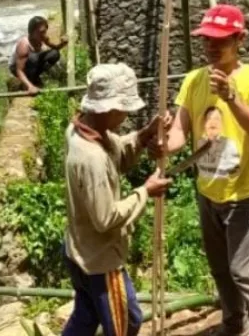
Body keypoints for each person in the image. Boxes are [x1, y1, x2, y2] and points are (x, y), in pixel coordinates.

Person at [157, 3, 249, 336]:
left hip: (245, 196)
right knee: (221, 271)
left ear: (241, 39)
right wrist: (163, 143)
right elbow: (181, 131)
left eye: (220, 40)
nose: (211, 46)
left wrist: (232, 97)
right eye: (206, 39)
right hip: (208, 193)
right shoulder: (194, 80)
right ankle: (233, 326)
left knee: (246, 273)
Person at [62, 63, 172, 336]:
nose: (125, 115)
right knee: (127, 321)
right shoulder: (92, 158)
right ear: (109, 109)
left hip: (78, 250)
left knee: (86, 316)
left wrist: (144, 134)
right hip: (100, 260)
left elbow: (117, 153)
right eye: (123, 109)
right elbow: (106, 218)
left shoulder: (81, 130)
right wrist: (145, 191)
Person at [8, 16, 68, 95]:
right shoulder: (24, 45)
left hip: (33, 62)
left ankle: (36, 76)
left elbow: (55, 48)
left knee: (54, 54)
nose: (43, 34)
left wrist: (62, 44)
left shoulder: (42, 37)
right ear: (32, 32)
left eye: (44, 31)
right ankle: (28, 83)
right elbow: (19, 70)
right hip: (17, 67)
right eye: (40, 32)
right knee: (33, 58)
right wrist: (30, 87)